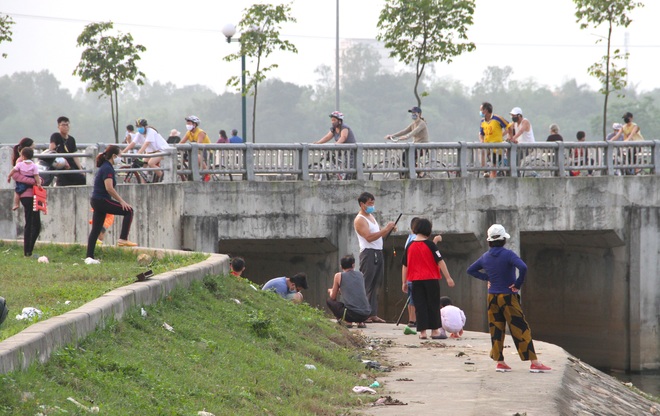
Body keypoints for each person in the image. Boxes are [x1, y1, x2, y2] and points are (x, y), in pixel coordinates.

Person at [466, 224, 552, 373]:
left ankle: (500, 362)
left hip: (492, 297)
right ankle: (534, 362)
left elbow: (471, 270)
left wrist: (487, 277)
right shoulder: (508, 255)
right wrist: (518, 284)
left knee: (496, 329)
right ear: (504, 239)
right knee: (520, 327)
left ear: (489, 241)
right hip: (508, 297)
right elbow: (523, 267)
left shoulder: (485, 257)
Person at [402, 218, 455, 340]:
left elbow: (405, 265)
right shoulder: (431, 245)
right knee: (433, 304)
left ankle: (422, 332)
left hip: (415, 280)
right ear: (428, 230)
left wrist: (404, 282)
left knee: (420, 305)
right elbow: (440, 261)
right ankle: (435, 331)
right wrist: (448, 277)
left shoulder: (409, 246)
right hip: (431, 279)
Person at [86, 145, 137, 264]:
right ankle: (123, 239)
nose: (121, 159)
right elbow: (109, 188)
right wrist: (121, 201)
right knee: (128, 210)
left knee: (96, 229)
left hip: (96, 200)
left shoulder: (106, 167)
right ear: (114, 156)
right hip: (102, 200)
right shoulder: (107, 168)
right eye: (120, 156)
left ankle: (89, 256)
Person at [354, 192, 396, 323]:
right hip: (368, 252)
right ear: (362, 204)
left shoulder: (371, 216)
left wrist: (388, 230)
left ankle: (372, 313)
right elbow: (369, 237)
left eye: (373, 203)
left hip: (378, 251)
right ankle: (363, 313)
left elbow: (378, 235)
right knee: (367, 283)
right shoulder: (360, 219)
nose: (372, 205)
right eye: (370, 203)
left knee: (376, 283)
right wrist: (386, 229)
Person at [327, 254, 371, 329]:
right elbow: (356, 291)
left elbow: (333, 296)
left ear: (341, 266)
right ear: (353, 265)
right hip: (366, 314)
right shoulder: (360, 275)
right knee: (355, 305)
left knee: (329, 301)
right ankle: (360, 322)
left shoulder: (338, 275)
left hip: (351, 314)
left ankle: (347, 321)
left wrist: (330, 291)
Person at [385, 106, 430, 178]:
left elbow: (415, 132)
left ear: (419, 114)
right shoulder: (413, 124)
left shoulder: (422, 123)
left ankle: (420, 171)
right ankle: (406, 173)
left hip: (422, 147)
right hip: (415, 146)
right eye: (412, 113)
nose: (413, 114)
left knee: (408, 157)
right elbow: (404, 131)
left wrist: (407, 137)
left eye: (414, 113)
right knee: (404, 156)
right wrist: (392, 136)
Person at [121, 118, 170, 182]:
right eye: (138, 127)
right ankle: (144, 184)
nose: (139, 128)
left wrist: (138, 154)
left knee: (151, 163)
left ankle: (164, 180)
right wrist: (123, 152)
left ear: (145, 126)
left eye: (140, 126)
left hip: (161, 150)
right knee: (142, 166)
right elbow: (132, 143)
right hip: (150, 152)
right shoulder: (139, 134)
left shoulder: (151, 131)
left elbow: (146, 144)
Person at [10, 159, 41, 257]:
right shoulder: (21, 162)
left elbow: (39, 179)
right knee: (32, 223)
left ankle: (28, 251)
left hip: (29, 195)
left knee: (33, 223)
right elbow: (15, 176)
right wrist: (34, 181)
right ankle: (28, 251)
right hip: (28, 195)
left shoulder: (24, 164)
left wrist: (37, 181)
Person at [49, 116, 86, 186]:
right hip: (62, 165)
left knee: (83, 179)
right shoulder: (55, 136)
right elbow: (51, 151)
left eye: (67, 125)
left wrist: (81, 169)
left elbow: (75, 155)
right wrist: (63, 161)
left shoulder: (71, 139)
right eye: (63, 125)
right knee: (63, 182)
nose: (66, 127)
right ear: (58, 126)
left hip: (71, 166)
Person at [479, 102, 510, 178]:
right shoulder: (482, 121)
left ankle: (493, 179)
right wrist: (481, 141)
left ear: (485, 111)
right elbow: (481, 133)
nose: (480, 112)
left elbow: (509, 127)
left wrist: (503, 135)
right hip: (487, 145)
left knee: (494, 166)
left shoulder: (497, 118)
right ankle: (485, 171)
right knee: (483, 151)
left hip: (497, 147)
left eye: (481, 110)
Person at [179, 115, 211, 182]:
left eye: (189, 123)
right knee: (182, 159)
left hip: (205, 151)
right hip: (195, 151)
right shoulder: (188, 133)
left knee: (197, 156)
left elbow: (198, 144)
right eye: (187, 123)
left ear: (194, 124)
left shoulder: (201, 132)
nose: (187, 125)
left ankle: (207, 173)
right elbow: (182, 142)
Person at [403, 217, 420, 327]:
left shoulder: (409, 239)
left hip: (409, 275)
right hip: (417, 275)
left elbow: (405, 264)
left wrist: (403, 281)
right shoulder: (416, 239)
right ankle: (413, 320)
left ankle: (411, 319)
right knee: (415, 299)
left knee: (410, 299)